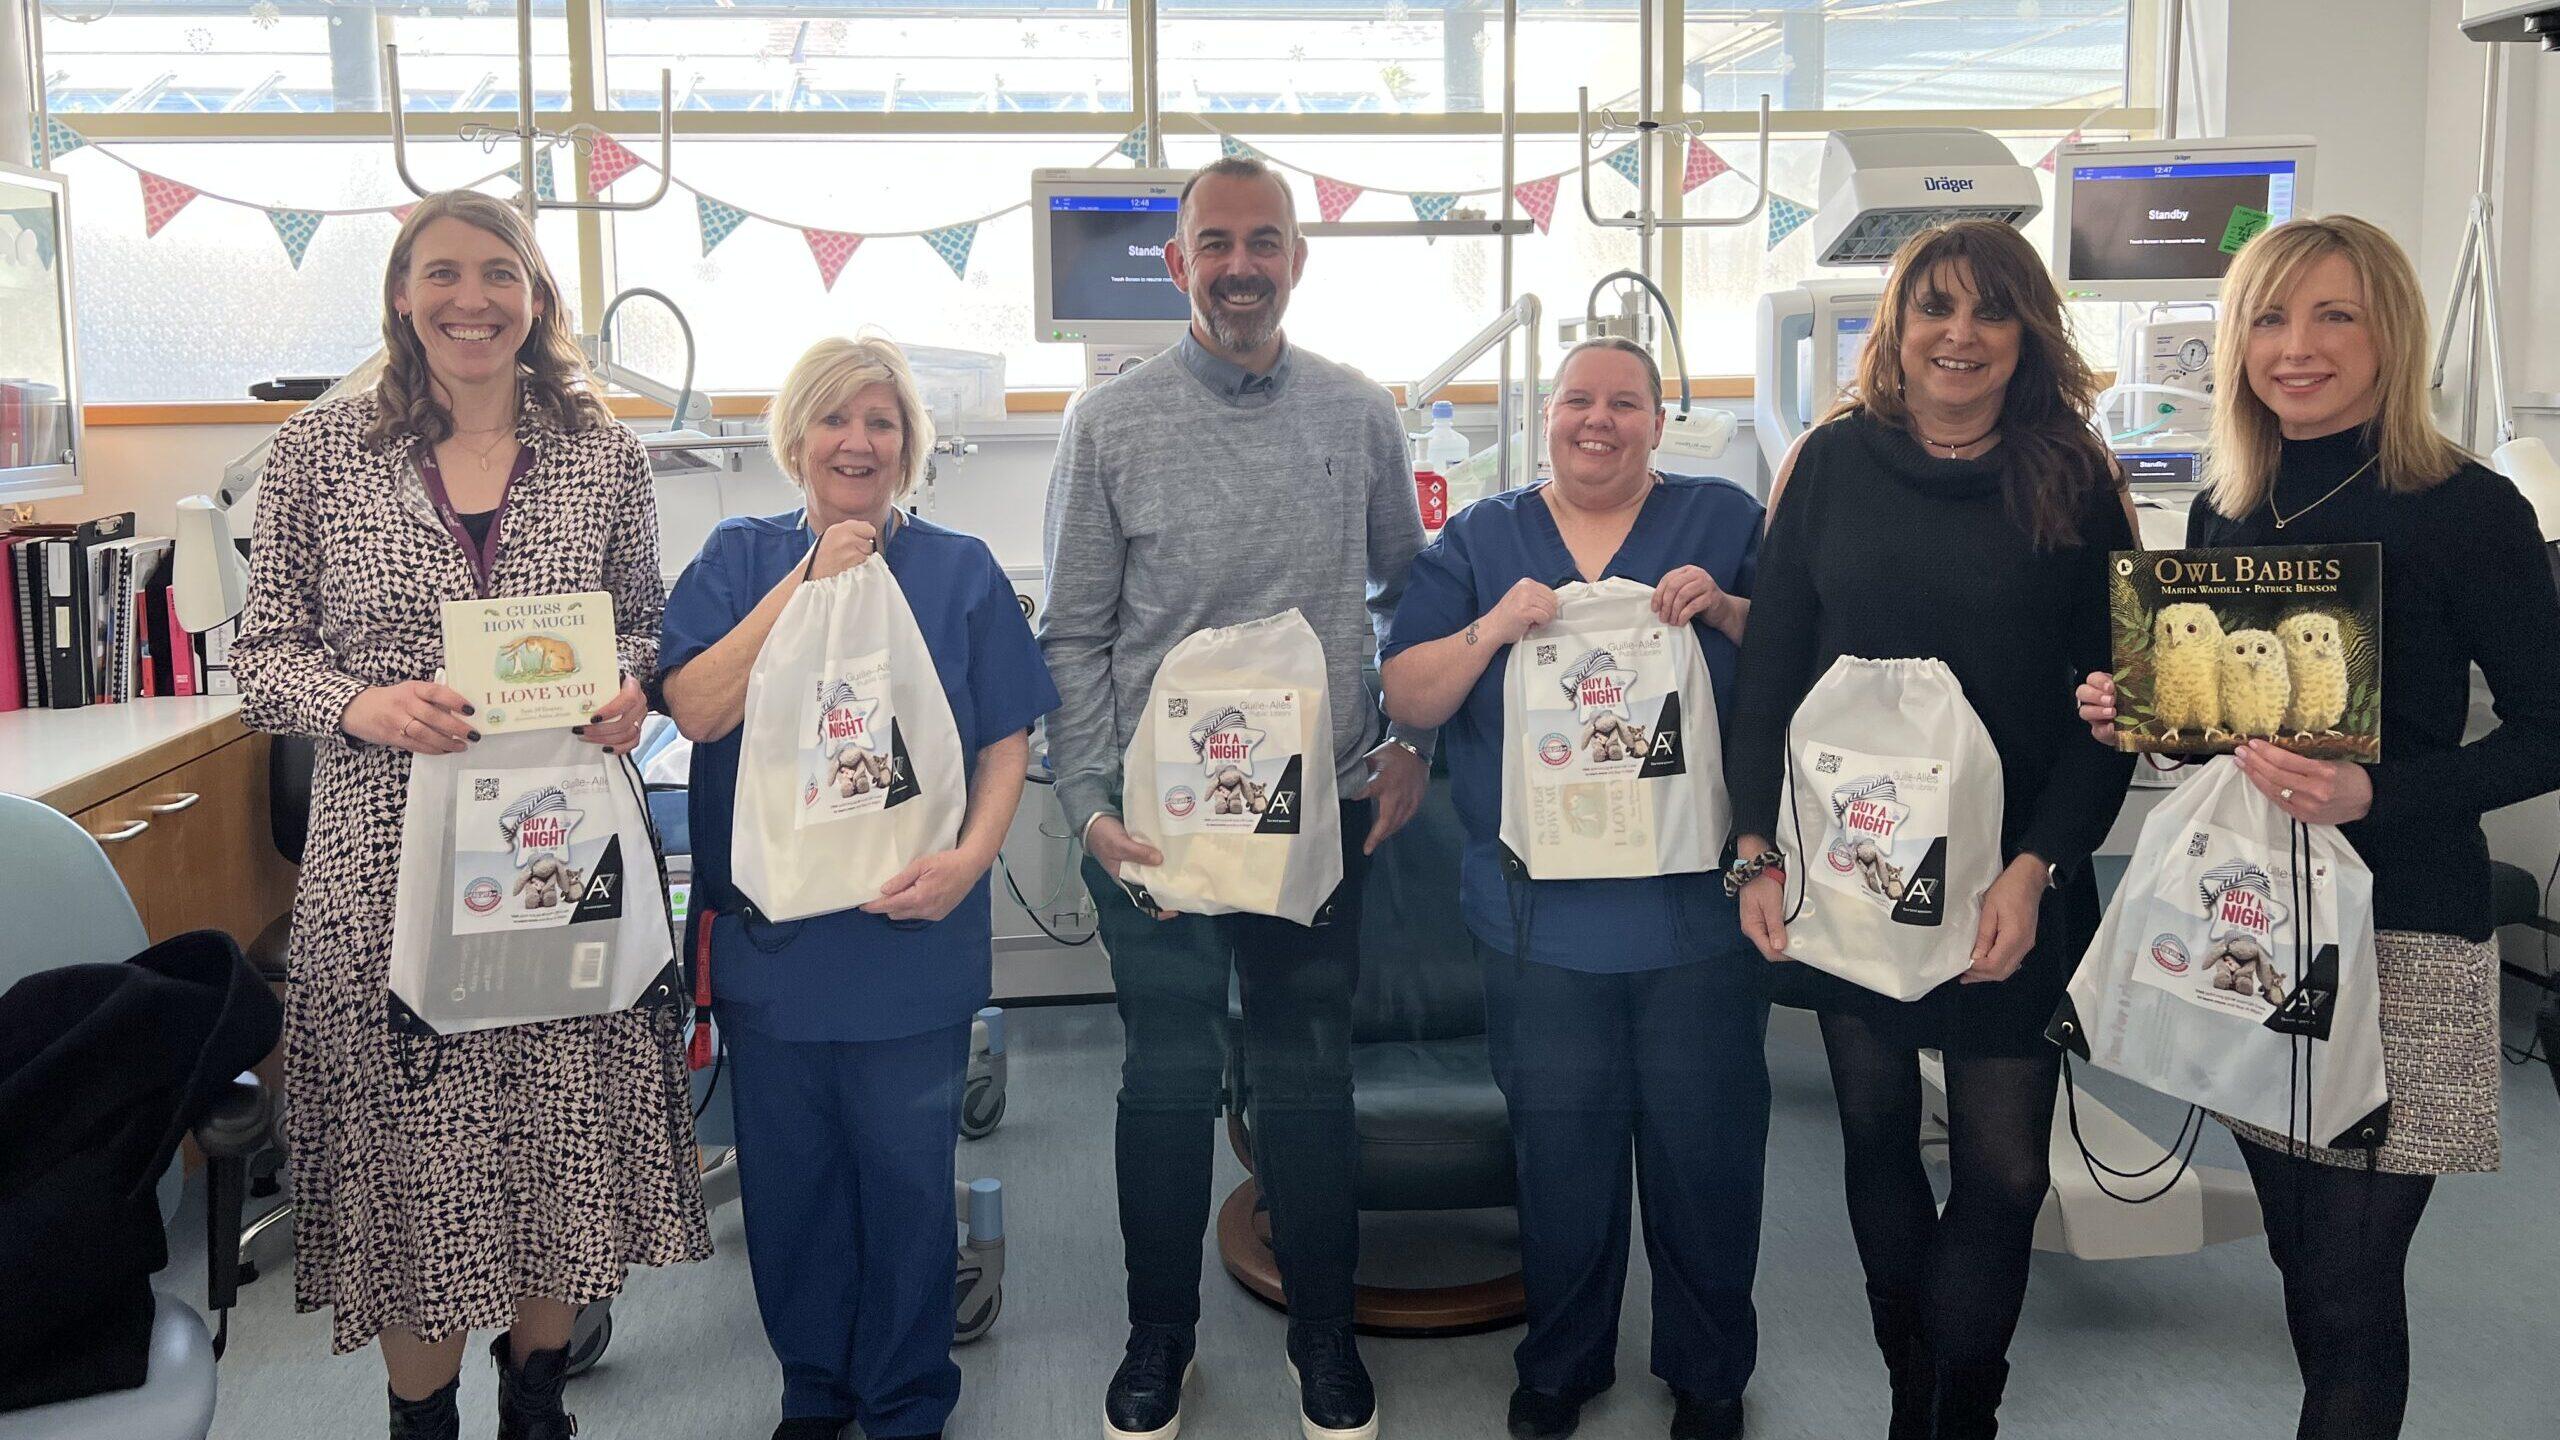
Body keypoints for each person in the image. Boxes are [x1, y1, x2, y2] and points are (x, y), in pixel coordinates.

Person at [232, 189, 708, 1440]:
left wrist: (632, 694)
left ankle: (536, 1404)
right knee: (419, 1164)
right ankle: (421, 1415)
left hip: (558, 847)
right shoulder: (321, 457)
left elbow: (647, 626)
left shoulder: (602, 454)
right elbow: (262, 658)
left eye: (499, 274)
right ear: (401, 295)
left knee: (557, 1138)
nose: (471, 300)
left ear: (537, 297)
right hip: (385, 863)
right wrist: (363, 706)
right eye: (440, 274)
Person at [2075, 215, 2560, 1440]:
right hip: (2263, 932)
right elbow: (2229, 734)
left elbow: (2553, 729)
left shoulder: (2467, 506)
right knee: (2300, 1261)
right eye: (2272, 319)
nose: (2298, 348)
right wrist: (2143, 717)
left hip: (2405, 929)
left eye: (2333, 315)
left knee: (2351, 1286)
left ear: (2387, 331)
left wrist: (2377, 796)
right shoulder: (2227, 514)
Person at [1040, 154, 1431, 1440]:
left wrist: (1400, 745)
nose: (1241, 265)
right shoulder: (1109, 423)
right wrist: (1092, 807)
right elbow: (1077, 632)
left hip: (1310, 825)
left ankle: (1324, 1337)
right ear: (1178, 261)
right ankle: (1161, 1340)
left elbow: (1400, 595)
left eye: (1265, 242)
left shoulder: (1359, 411)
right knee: (1162, 1077)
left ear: (1297, 260)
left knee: (1308, 1074)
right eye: (1216, 243)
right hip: (1155, 828)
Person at [1723, 220, 2135, 1440]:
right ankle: (1925, 1398)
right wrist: (1755, 847)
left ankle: (1957, 1409)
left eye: (1989, 313)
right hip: (1854, 869)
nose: (1958, 335)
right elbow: (1774, 669)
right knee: (1875, 1135)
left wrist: (2038, 865)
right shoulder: (1832, 462)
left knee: (2005, 1167)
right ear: (1893, 329)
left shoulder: (2073, 472)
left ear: (2026, 336)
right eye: (1933, 309)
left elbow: (2109, 710)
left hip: (2015, 875)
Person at [659, 336, 1058, 1440]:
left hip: (906, 933)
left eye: (882, 423)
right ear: (797, 438)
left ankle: (903, 1397)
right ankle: (813, 1389)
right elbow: (695, 707)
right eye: (837, 419)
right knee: (791, 1188)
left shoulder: (960, 571)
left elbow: (1003, 739)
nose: (858, 441)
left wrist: (972, 860)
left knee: (904, 1179)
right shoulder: (739, 559)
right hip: (775, 948)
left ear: (909, 446)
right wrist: (812, 574)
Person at [1378, 338, 1769, 1440]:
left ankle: (1707, 1373)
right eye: (1577, 402)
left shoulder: (1724, 524)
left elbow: (1803, 663)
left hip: (1696, 904)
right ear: (1545, 413)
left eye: (1625, 404)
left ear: (1659, 417)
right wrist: (1496, 626)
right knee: (1561, 1150)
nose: (1598, 421)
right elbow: (1408, 688)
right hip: (1538, 915)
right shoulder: (1484, 539)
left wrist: (1729, 610)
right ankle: (1561, 1359)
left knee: (1704, 1153)